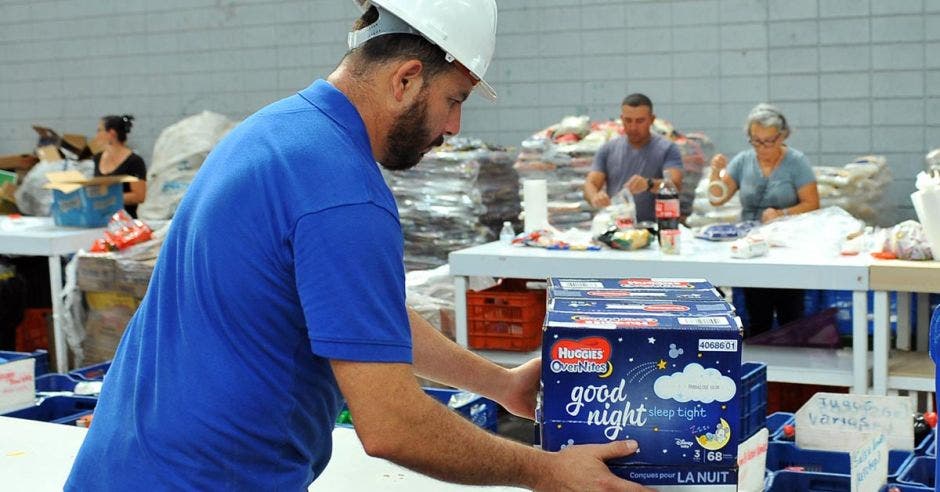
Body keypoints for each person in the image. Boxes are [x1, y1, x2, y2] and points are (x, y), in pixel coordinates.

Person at [65, 2, 652, 491]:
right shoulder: (342, 192)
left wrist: (498, 384)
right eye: (455, 101)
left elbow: (361, 313)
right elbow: (393, 426)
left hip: (127, 466)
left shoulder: (277, 129)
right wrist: (545, 471)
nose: (453, 129)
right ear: (406, 79)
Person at [707, 103, 820, 336]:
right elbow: (717, 198)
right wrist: (715, 173)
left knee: (790, 309)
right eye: (756, 141)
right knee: (757, 308)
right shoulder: (743, 161)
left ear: (782, 136)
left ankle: (792, 359)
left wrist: (783, 214)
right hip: (752, 245)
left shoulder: (796, 162)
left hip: (787, 246)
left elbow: (812, 204)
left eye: (768, 141)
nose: (762, 147)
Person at [583, 93, 683, 222]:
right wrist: (595, 197)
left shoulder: (667, 149)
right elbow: (591, 183)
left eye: (640, 121)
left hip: (656, 227)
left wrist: (648, 184)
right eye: (628, 120)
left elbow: (675, 185)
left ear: (652, 120)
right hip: (618, 228)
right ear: (621, 119)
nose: (633, 127)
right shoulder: (607, 149)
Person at [92, 115, 147, 217]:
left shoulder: (134, 161)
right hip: (101, 219)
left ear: (111, 133)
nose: (96, 136)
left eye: (99, 130)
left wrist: (109, 198)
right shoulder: (97, 158)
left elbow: (139, 196)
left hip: (125, 219)